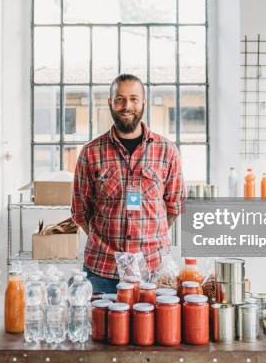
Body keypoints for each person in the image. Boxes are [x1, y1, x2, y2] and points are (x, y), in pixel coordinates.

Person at [71, 73, 185, 293]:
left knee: (153, 329)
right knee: (99, 328)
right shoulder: (91, 153)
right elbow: (80, 212)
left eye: (133, 99)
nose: (127, 106)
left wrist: (149, 237)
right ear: (110, 103)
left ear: (144, 102)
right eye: (120, 99)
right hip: (102, 271)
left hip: (154, 271)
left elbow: (174, 207)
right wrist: (106, 242)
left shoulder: (167, 151)